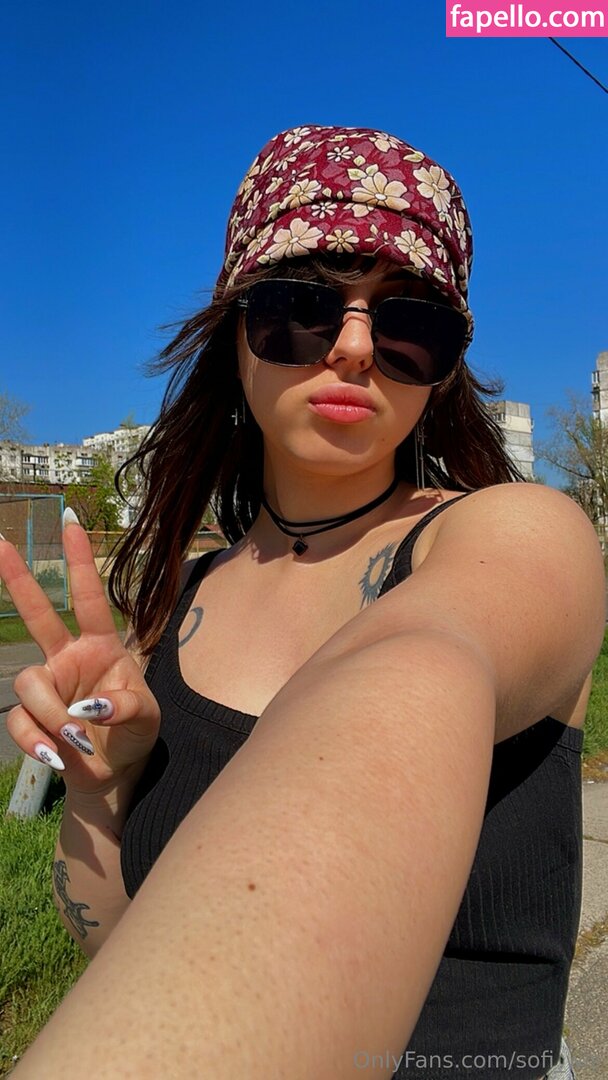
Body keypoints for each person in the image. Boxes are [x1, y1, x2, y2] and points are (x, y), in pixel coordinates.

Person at [1, 125, 604, 1080]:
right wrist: (100, 788)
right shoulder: (177, 606)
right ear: (235, 335)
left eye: (410, 323)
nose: (356, 347)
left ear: (444, 368)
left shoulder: (521, 537)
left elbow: (419, 668)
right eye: (302, 308)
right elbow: (123, 957)